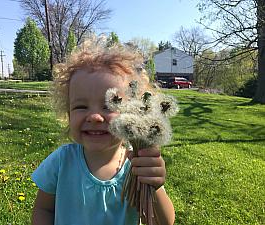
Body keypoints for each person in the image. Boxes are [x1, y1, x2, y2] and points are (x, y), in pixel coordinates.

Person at [31, 36, 175, 225]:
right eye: (81, 107)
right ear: (68, 113)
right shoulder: (61, 161)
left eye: (109, 106)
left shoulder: (137, 165)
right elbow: (44, 208)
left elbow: (163, 222)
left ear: (134, 112)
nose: (94, 117)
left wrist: (155, 186)